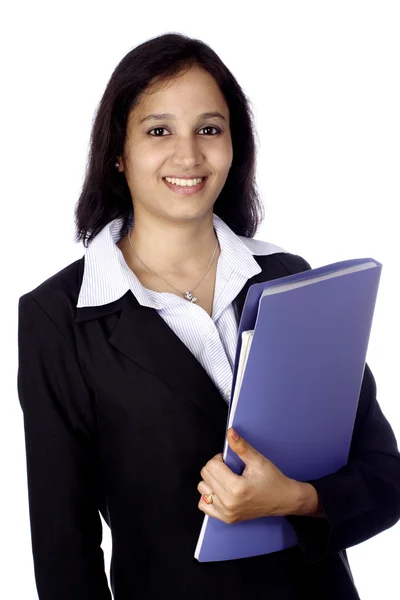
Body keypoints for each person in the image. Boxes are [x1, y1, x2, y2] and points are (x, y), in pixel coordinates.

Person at [16, 32, 400, 600]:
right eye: (158, 130)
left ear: (233, 145)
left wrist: (296, 500)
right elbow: (62, 550)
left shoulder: (291, 278)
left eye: (209, 129)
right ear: (118, 153)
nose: (189, 155)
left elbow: (384, 478)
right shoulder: (59, 318)